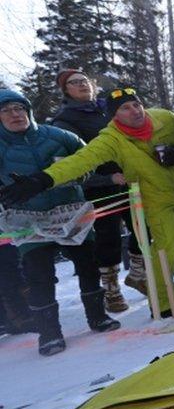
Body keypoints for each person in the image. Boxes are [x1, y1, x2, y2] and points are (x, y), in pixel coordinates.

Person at [0, 88, 174, 319]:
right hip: (154, 196)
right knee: (166, 245)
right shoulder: (111, 140)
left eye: (136, 104)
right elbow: (80, 161)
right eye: (125, 108)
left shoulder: (166, 118)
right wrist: (42, 180)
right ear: (114, 115)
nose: (135, 111)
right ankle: (164, 303)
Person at [0, 90, 120, 356]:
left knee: (88, 265)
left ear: (28, 110)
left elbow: (90, 160)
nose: (15, 115)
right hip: (27, 219)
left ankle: (98, 316)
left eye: (19, 108)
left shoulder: (58, 136)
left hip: (70, 211)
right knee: (39, 275)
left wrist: (74, 176)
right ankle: (49, 333)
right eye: (7, 110)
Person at [48, 69, 139, 312]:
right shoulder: (65, 122)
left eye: (84, 80)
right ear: (66, 91)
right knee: (107, 239)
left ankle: (139, 274)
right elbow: (76, 164)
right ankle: (111, 289)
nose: (81, 85)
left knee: (144, 227)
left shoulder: (108, 108)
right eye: (73, 83)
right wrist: (108, 178)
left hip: (131, 180)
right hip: (100, 189)